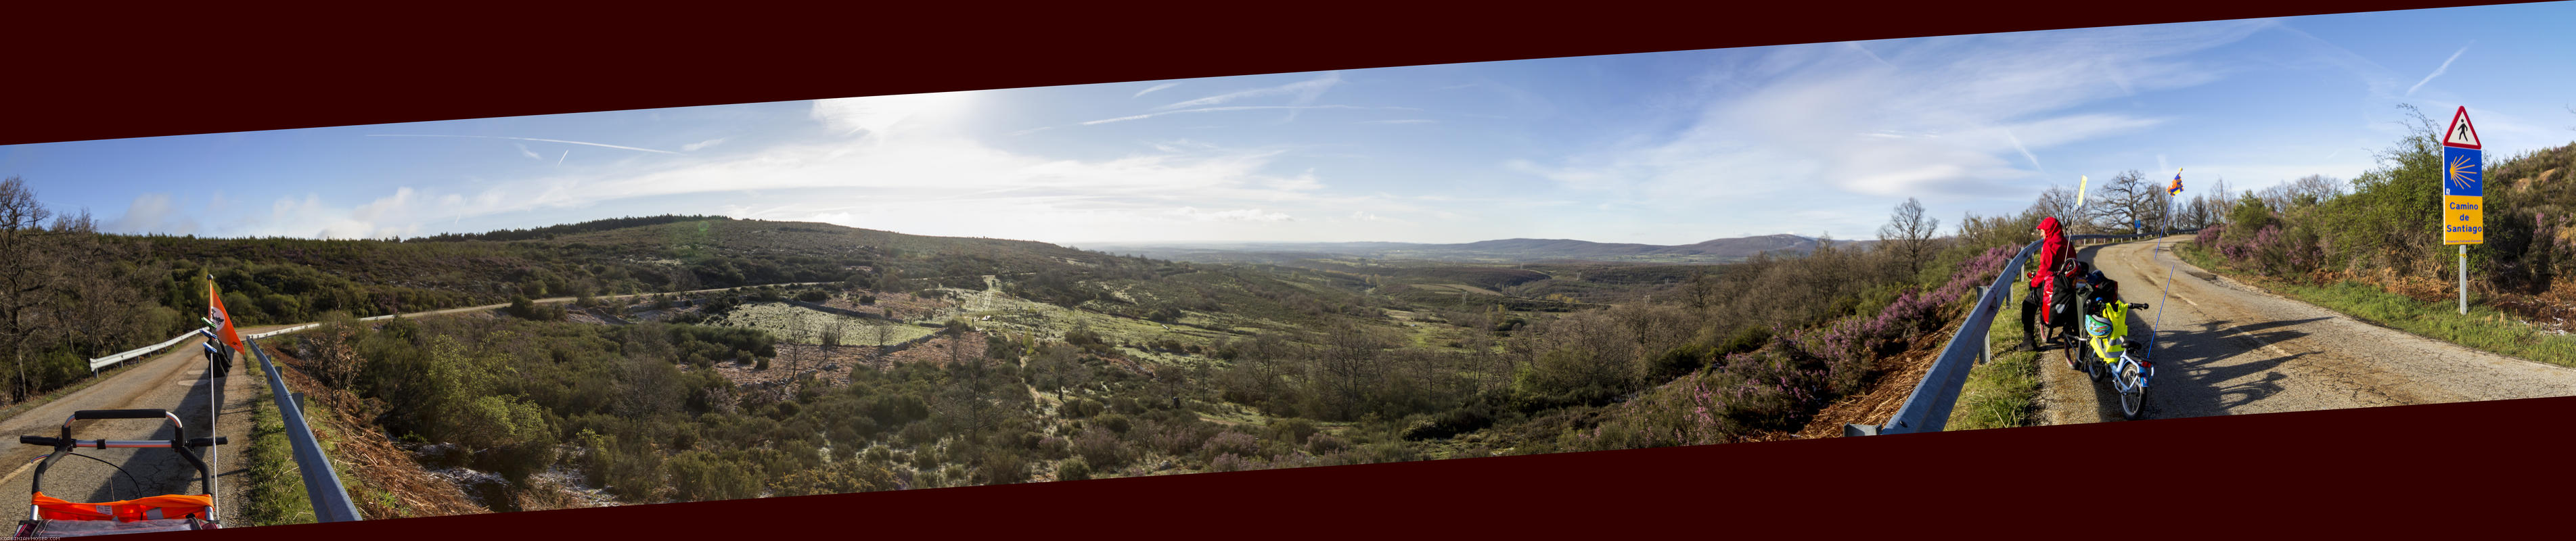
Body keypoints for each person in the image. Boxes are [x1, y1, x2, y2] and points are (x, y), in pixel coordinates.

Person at [2020, 216, 2071, 350]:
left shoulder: (2049, 245)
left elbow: (2044, 271)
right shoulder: (2068, 243)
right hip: (2068, 285)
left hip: (2052, 286)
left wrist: (2034, 283)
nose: (2041, 233)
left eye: (2042, 230)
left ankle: (2028, 342)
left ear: (2049, 230)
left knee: (2027, 304)